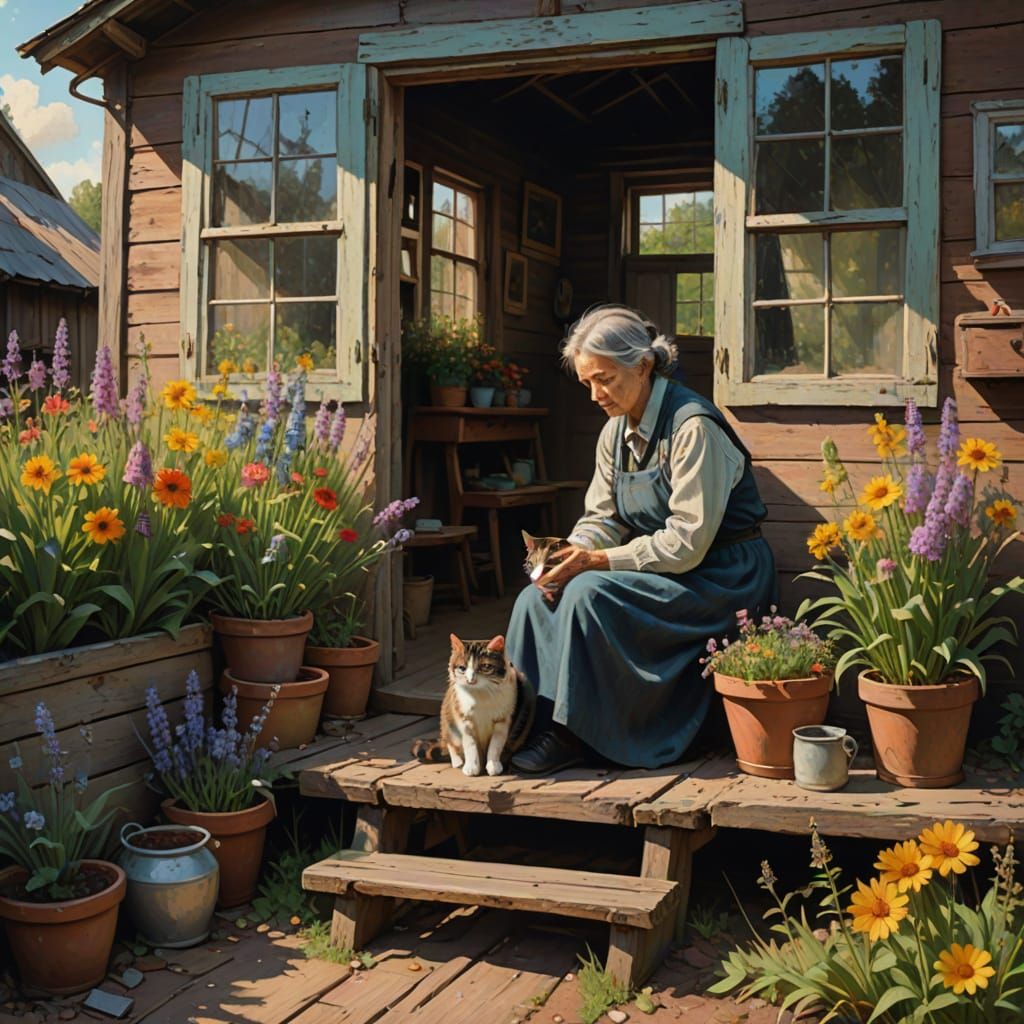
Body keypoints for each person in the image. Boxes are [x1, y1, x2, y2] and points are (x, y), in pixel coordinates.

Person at [506, 304, 776, 773]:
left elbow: (686, 543)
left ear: (644, 365)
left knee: (589, 594)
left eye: (605, 379)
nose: (594, 394)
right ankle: (524, 725)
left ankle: (577, 734)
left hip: (722, 575)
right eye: (587, 381)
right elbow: (601, 517)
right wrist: (570, 556)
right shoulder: (614, 432)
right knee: (538, 597)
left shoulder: (693, 428)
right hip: (667, 566)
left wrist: (595, 563)